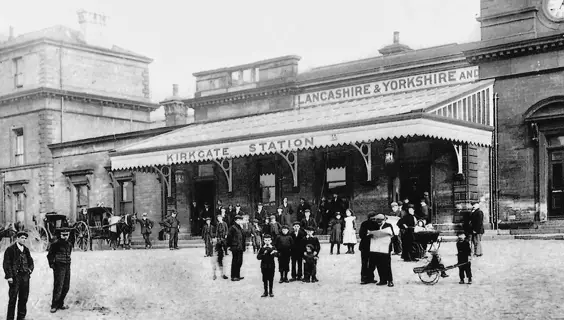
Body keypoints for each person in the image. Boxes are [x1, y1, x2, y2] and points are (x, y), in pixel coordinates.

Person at [3, 230, 33, 320]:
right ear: (17, 238)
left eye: (25, 238)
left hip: (25, 277)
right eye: (22, 238)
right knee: (13, 299)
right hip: (15, 278)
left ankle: (21, 317)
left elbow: (31, 262)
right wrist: (9, 276)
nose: (24, 240)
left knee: (24, 298)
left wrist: (30, 270)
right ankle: (10, 318)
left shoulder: (26, 249)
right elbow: (6, 263)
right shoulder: (10, 249)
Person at [48, 228, 73, 313]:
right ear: (60, 235)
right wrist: (52, 265)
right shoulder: (55, 244)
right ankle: (54, 305)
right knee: (58, 286)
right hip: (59, 267)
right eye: (63, 235)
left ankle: (60, 303)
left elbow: (69, 253)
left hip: (67, 266)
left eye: (67, 235)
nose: (65, 237)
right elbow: (50, 255)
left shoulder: (69, 244)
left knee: (66, 286)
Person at [367, 214, 395, 287]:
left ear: (384, 220)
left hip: (386, 247)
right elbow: (369, 234)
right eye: (377, 221)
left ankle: (390, 280)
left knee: (387, 264)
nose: (379, 223)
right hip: (377, 247)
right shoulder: (374, 226)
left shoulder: (388, 225)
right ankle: (382, 280)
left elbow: (393, 235)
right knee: (379, 264)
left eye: (380, 221)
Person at [359, 212, 378, 285]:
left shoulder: (364, 223)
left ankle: (366, 278)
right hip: (370, 245)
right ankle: (368, 277)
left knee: (366, 262)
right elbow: (362, 235)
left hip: (366, 245)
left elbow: (361, 235)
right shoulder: (374, 224)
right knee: (370, 262)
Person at [227, 215, 246, 281]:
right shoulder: (232, 227)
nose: (240, 221)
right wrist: (229, 246)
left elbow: (244, 236)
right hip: (235, 246)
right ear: (235, 220)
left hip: (240, 247)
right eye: (239, 220)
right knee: (235, 261)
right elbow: (229, 237)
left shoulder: (240, 227)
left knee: (240, 261)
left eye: (240, 220)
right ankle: (233, 276)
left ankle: (237, 275)